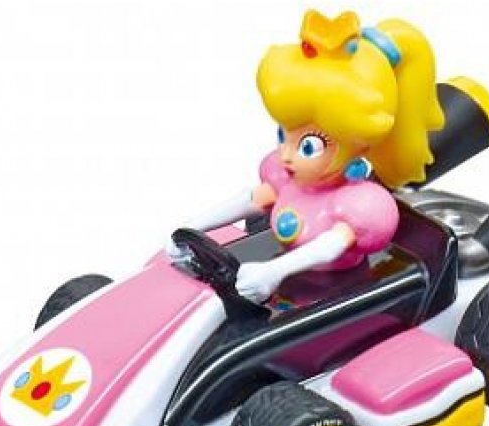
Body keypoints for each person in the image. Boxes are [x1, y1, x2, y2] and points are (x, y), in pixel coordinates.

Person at [167, 9, 445, 303]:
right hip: (288, 277)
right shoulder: (288, 178)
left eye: (308, 146)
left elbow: (329, 247)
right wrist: (192, 227)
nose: (286, 155)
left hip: (336, 289)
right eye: (283, 135)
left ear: (359, 145)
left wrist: (272, 272)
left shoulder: (361, 204)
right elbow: (251, 200)